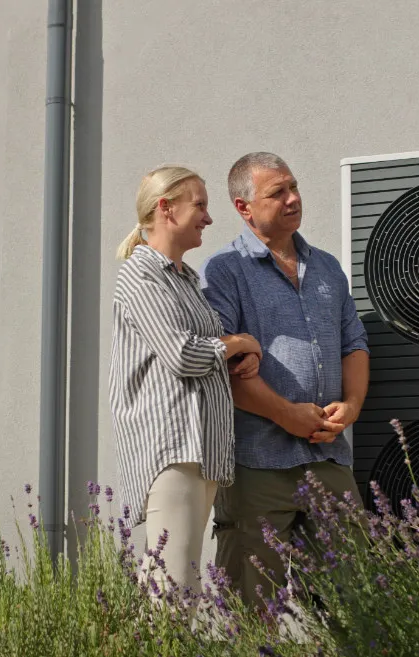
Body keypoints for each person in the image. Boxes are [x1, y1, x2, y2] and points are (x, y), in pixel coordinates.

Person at [200, 152, 370, 606]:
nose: (293, 199)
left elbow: (354, 344)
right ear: (244, 207)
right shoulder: (224, 272)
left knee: (354, 600)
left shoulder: (328, 268)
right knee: (253, 607)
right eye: (278, 192)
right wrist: (287, 415)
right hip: (257, 463)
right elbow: (223, 368)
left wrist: (351, 406)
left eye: (293, 187)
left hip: (329, 458)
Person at [109, 165, 262, 597]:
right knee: (172, 589)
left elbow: (204, 348)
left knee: (181, 585)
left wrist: (237, 355)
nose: (208, 218)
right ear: (166, 208)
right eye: (200, 205)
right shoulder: (140, 275)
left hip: (200, 448)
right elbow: (183, 355)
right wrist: (238, 343)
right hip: (171, 448)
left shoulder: (186, 280)